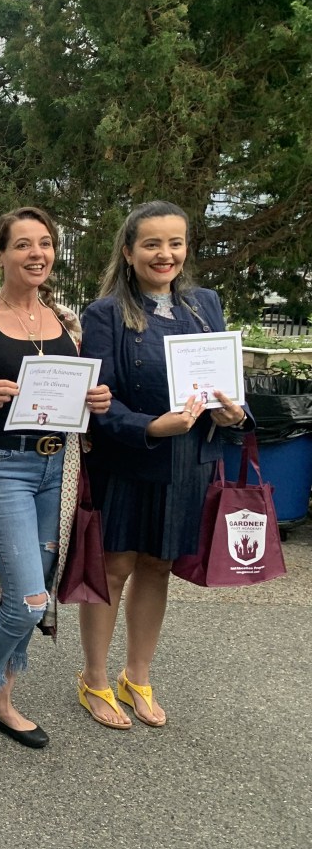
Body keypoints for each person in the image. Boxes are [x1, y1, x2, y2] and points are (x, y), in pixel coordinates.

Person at [0, 206, 112, 759]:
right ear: (0, 254)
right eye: (22, 245)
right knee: (29, 599)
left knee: (30, 591)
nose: (36, 254)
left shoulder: (70, 324)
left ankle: (5, 701)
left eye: (45, 243)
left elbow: (72, 404)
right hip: (3, 468)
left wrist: (95, 404)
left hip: (56, 469)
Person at [77, 200, 252, 729]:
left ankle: (138, 674)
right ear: (129, 252)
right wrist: (151, 427)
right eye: (152, 244)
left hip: (191, 461)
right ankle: (95, 680)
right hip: (132, 458)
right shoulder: (105, 313)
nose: (165, 254)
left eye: (175, 243)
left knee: (160, 565)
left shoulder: (205, 304)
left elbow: (231, 386)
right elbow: (100, 401)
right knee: (116, 565)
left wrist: (234, 412)